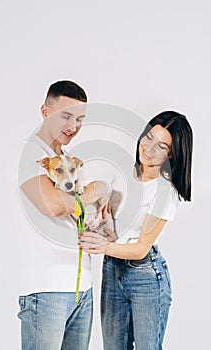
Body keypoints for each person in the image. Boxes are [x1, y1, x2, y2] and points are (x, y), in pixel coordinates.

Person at [79, 111, 193, 350]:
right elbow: (105, 218)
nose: (149, 148)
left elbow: (141, 249)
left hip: (146, 277)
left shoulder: (164, 192)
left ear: (171, 153)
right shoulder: (120, 173)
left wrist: (103, 246)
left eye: (160, 146)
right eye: (148, 138)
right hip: (112, 270)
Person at [17, 80, 110, 350]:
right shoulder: (27, 156)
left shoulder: (68, 161)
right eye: (65, 116)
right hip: (46, 289)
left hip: (83, 288)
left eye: (80, 119)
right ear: (45, 112)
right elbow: (55, 206)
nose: (73, 126)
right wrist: (98, 188)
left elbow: (82, 212)